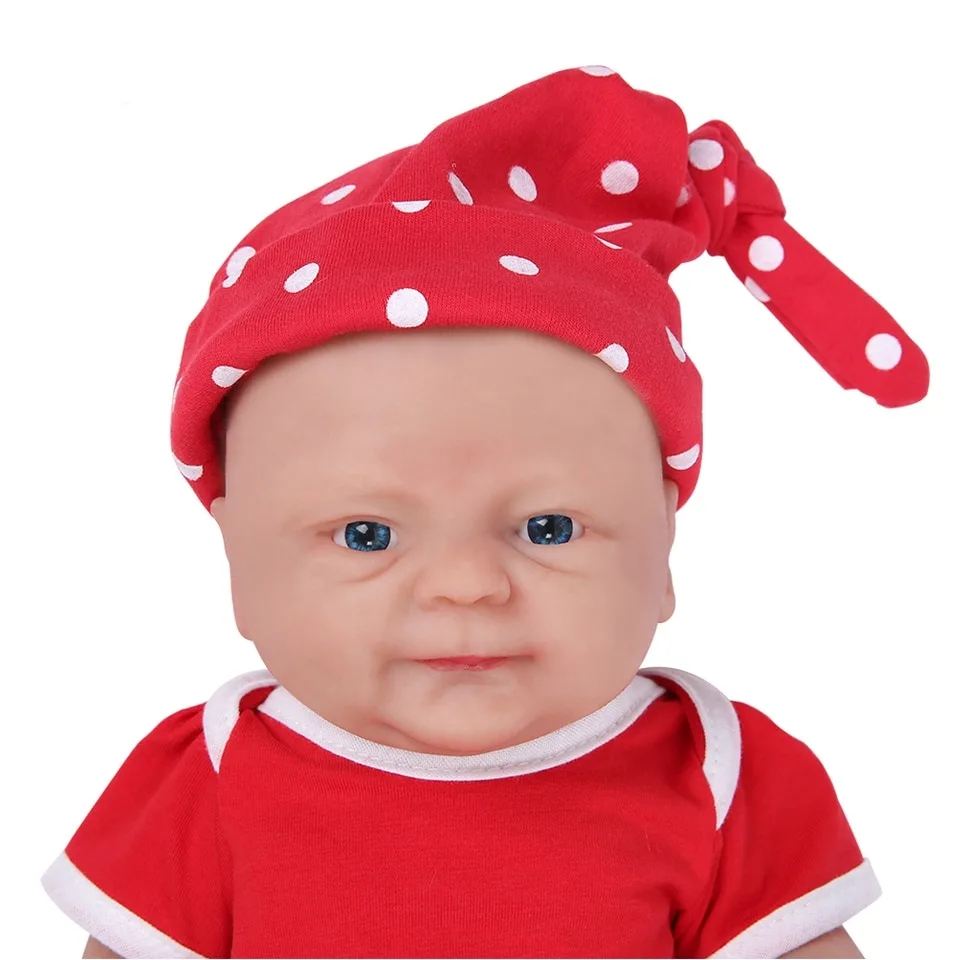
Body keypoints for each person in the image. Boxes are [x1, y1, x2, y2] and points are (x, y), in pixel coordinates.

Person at [41, 65, 928, 959]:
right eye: (367, 536)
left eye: (549, 529)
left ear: (663, 544)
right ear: (238, 561)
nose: (467, 586)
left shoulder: (717, 774)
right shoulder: (211, 779)